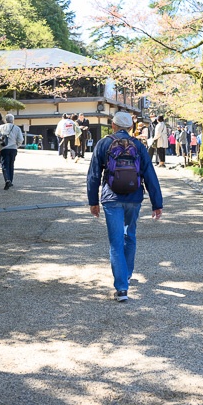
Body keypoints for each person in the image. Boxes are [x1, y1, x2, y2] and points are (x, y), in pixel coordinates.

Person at [86, 111, 163, 302]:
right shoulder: (138, 145)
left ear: (113, 125)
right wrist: (157, 203)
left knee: (116, 241)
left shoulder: (103, 143)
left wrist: (93, 201)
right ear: (130, 127)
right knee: (130, 235)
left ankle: (121, 288)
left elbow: (93, 175)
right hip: (134, 197)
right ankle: (126, 274)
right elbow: (150, 175)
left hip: (111, 197)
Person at [0, 114, 24, 190]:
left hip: (4, 148)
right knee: (11, 164)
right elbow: (20, 139)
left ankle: (7, 180)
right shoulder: (17, 128)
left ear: (5, 120)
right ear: (13, 120)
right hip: (13, 148)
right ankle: (10, 180)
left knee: (5, 165)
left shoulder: (1, 127)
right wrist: (17, 145)